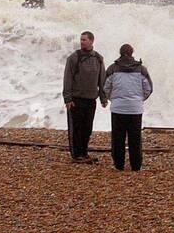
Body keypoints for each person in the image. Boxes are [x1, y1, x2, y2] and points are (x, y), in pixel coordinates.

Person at [102, 43, 153, 171]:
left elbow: (105, 87)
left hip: (118, 108)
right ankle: (136, 165)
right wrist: (139, 99)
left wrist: (112, 99)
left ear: (120, 53)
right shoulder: (141, 69)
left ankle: (119, 165)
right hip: (135, 109)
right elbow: (148, 88)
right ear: (132, 53)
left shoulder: (112, 68)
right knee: (135, 138)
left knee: (118, 138)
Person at [62, 31, 107, 163]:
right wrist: (68, 98)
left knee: (87, 128)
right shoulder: (74, 57)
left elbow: (102, 80)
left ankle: (84, 152)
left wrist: (103, 98)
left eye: (84, 40)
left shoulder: (98, 58)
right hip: (76, 99)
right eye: (81, 40)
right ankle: (76, 155)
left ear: (92, 41)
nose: (82, 42)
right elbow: (67, 78)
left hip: (91, 99)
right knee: (76, 128)